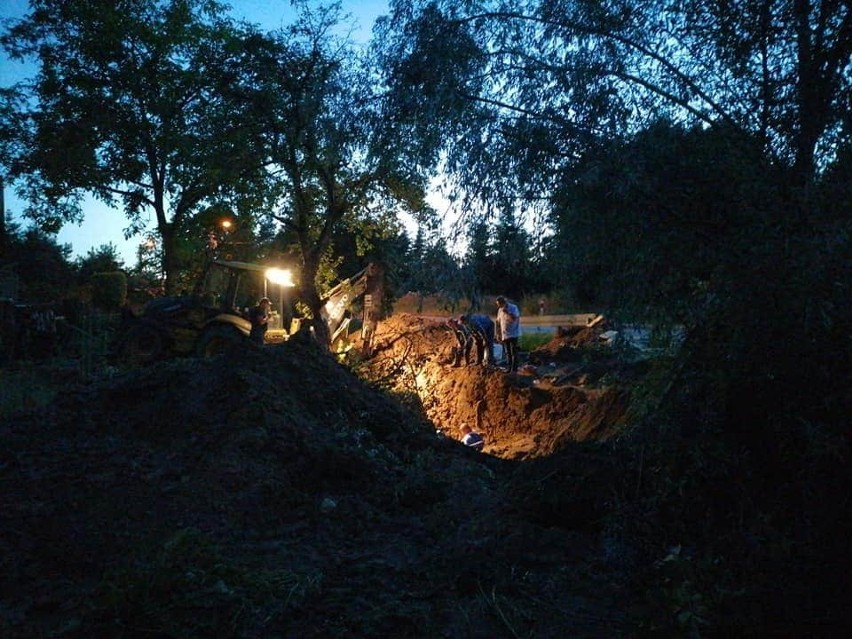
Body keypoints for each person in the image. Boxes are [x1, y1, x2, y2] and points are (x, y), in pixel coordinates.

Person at [495, 295, 521, 372]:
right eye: (498, 305)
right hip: (505, 334)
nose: (499, 306)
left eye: (500, 304)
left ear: (503, 302)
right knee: (507, 352)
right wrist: (497, 333)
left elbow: (515, 318)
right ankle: (509, 368)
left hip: (513, 333)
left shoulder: (513, 307)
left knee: (513, 351)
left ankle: (514, 369)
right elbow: (498, 322)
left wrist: (508, 312)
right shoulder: (500, 310)